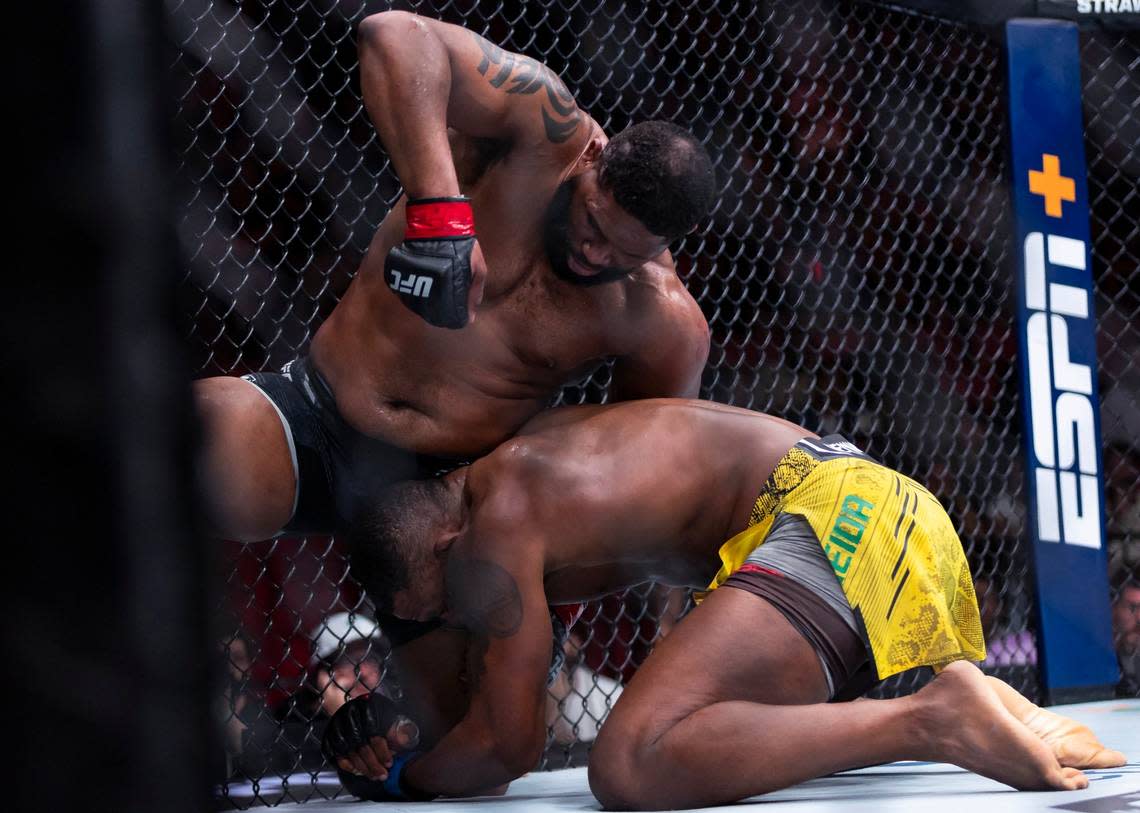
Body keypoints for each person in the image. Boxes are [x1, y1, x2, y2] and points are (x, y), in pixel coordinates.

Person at [333, 399, 1124, 806]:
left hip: (830, 523)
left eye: (443, 602)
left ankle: (931, 717)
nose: (459, 613)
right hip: (883, 516)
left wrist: (399, 776)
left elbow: (508, 748)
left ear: (443, 545)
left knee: (629, 761)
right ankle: (984, 701)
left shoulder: (494, 522)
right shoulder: (540, 447)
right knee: (717, 729)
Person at [193, 11, 715, 542]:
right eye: (594, 224)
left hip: (455, 501)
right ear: (594, 160)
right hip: (317, 415)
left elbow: (642, 471)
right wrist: (440, 217)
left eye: (626, 252)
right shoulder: (542, 127)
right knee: (182, 440)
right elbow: (393, 34)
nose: (595, 254)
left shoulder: (660, 321)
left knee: (511, 584)